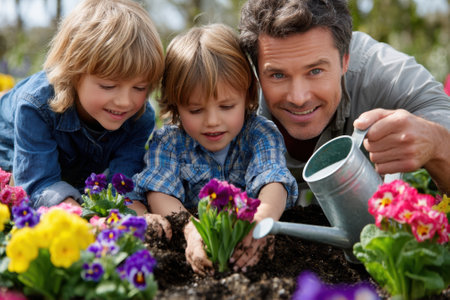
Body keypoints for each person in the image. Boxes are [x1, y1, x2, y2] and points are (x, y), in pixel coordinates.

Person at [238, 0, 450, 199]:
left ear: (345, 60)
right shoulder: (230, 91)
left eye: (315, 71)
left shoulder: (388, 74)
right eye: (278, 75)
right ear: (255, 73)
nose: (299, 98)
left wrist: (437, 144)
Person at [132, 23, 298, 274]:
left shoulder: (259, 134)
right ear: (176, 106)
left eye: (227, 106)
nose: (212, 121)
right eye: (195, 110)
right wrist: (191, 229)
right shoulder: (168, 142)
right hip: (194, 244)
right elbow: (159, 191)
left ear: (248, 96)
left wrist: (262, 221)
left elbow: (272, 178)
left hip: (247, 243)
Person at [0, 0, 164, 215]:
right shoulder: (36, 106)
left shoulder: (139, 117)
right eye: (108, 85)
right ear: (73, 74)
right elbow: (38, 184)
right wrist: (79, 217)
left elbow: (124, 185)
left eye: (140, 87)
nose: (125, 101)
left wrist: (141, 218)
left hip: (70, 174)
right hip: (14, 157)